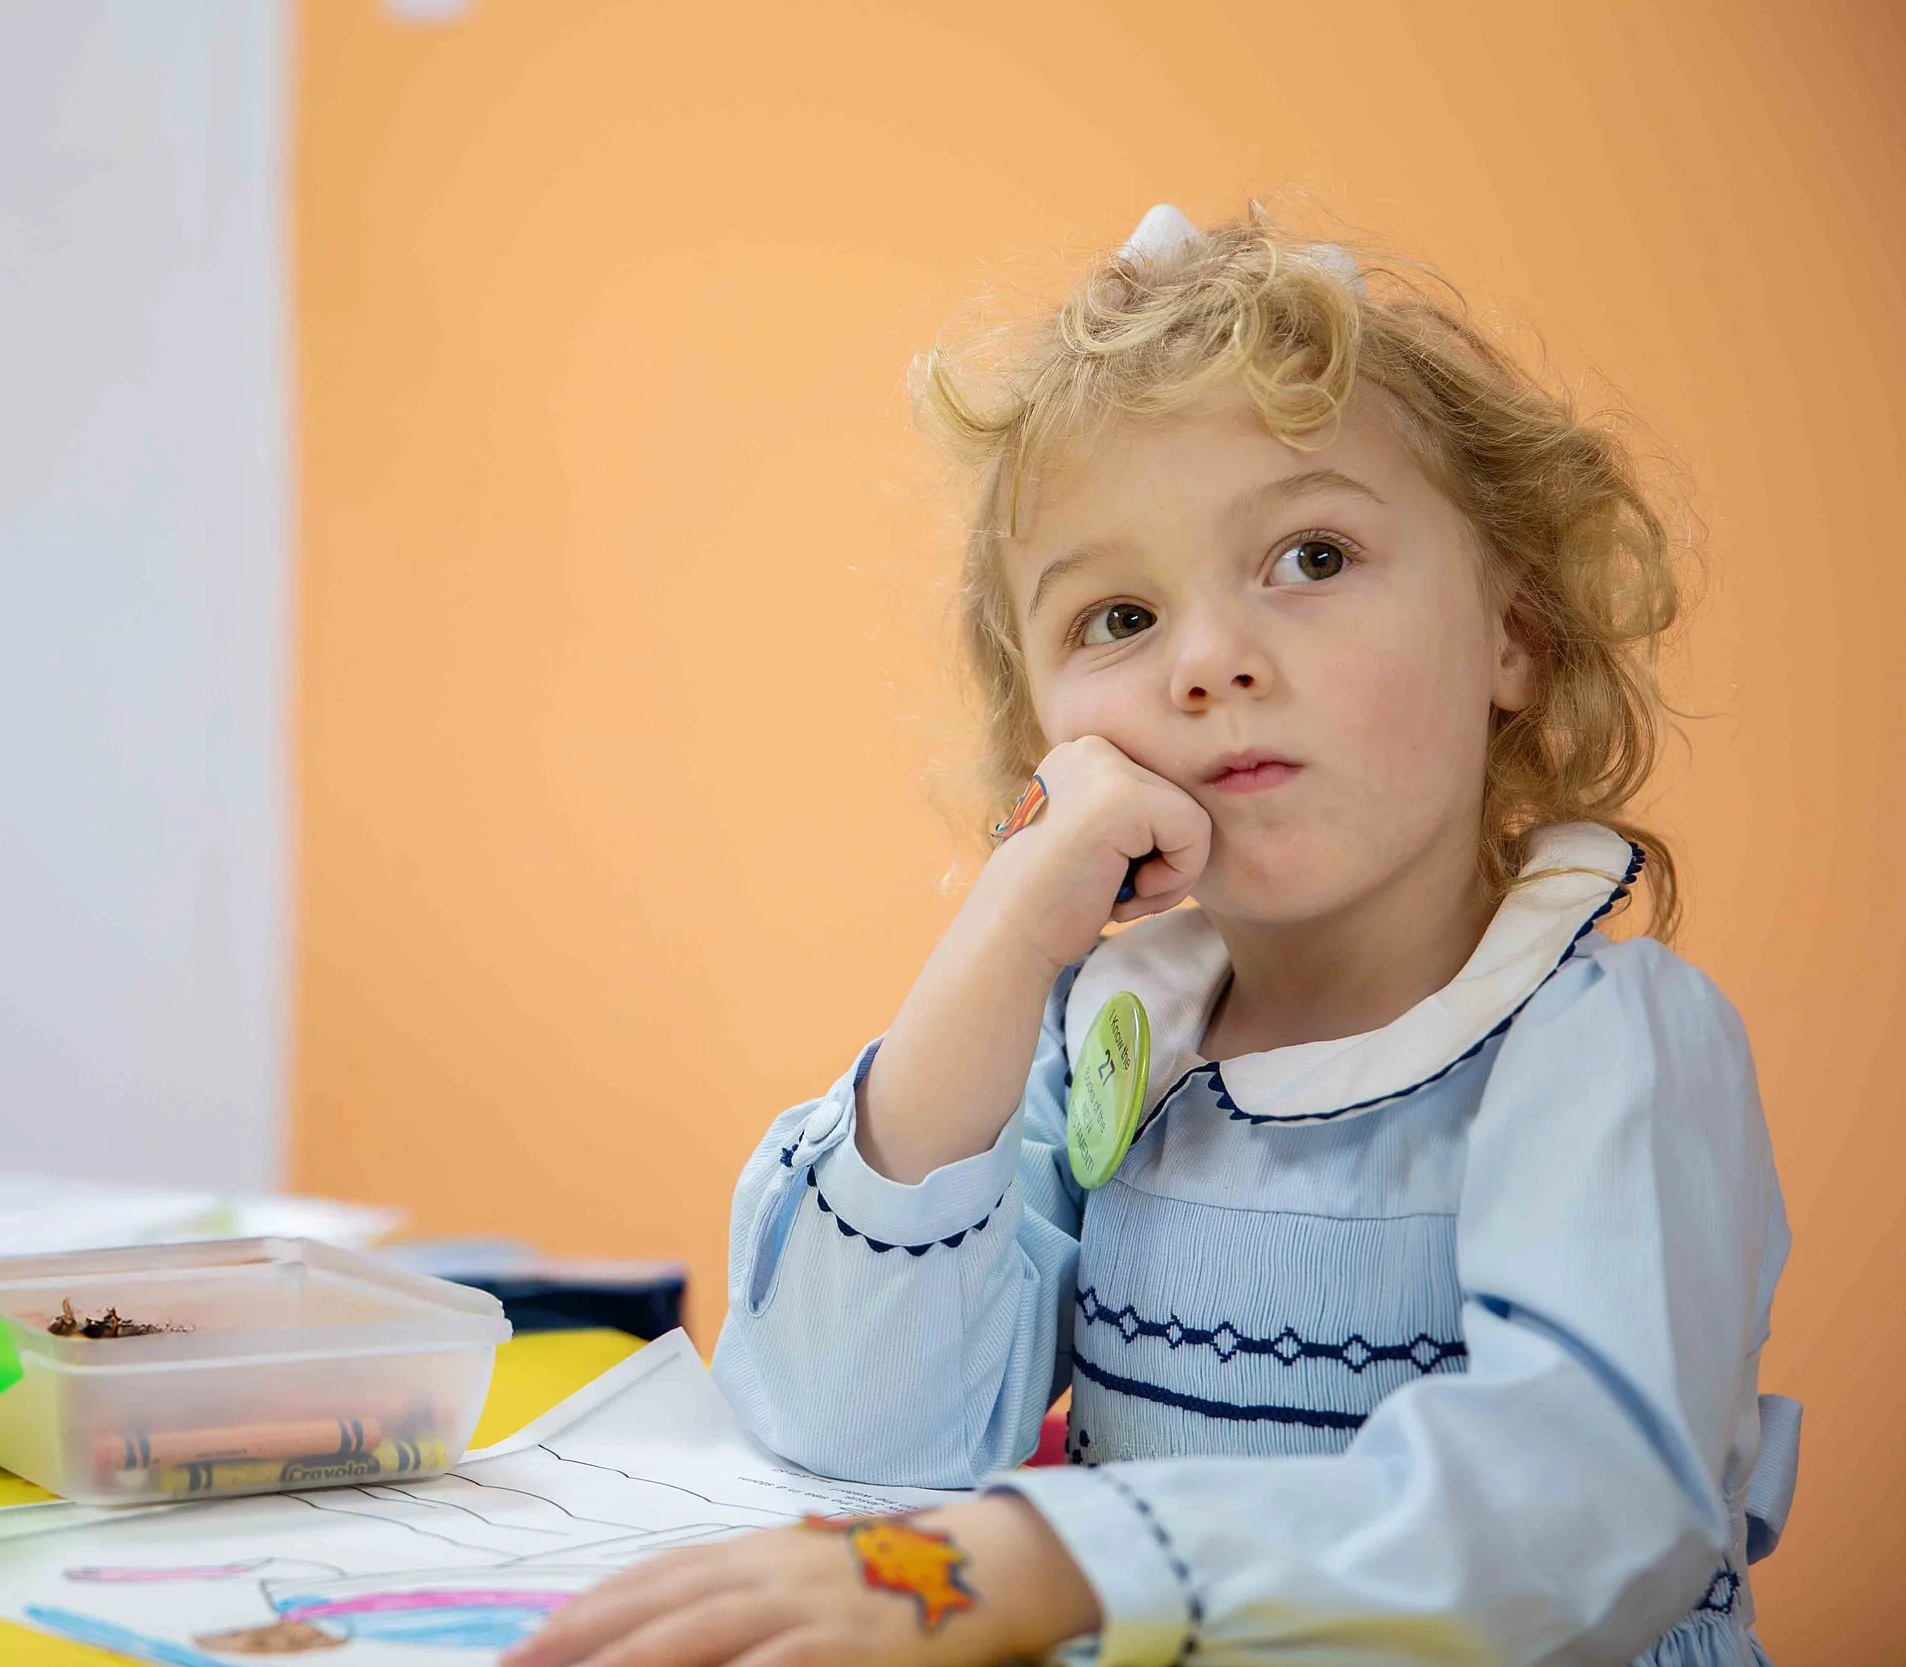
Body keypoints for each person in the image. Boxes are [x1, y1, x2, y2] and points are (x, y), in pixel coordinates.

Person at [508, 205, 1797, 1667]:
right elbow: (842, 1421)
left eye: (1312, 556)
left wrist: (1066, 1554)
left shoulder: (1602, 1044)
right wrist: (1004, 931)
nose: (1206, 661)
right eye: (1118, 615)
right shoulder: (1122, 1036)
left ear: (1516, 638)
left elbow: (1580, 1518)